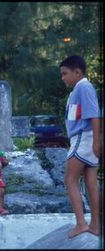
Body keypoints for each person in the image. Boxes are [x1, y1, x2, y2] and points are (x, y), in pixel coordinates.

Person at [60, 55, 100, 238]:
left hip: (83, 138)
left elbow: (94, 115)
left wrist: (96, 141)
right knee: (91, 182)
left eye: (65, 74)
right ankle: (96, 225)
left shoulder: (83, 87)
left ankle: (81, 223)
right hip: (85, 138)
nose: (63, 78)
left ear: (77, 72)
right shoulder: (79, 89)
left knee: (70, 180)